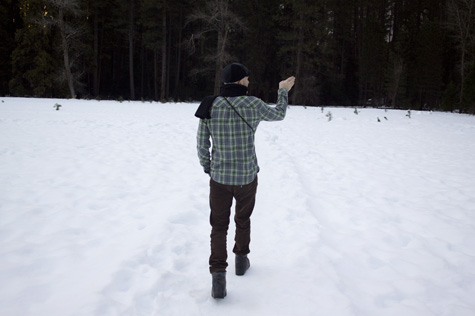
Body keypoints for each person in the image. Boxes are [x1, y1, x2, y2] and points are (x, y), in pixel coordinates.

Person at [195, 63, 295, 299]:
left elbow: (201, 144)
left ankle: (218, 278)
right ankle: (241, 260)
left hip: (219, 179)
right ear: (240, 81)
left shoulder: (210, 105)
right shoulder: (254, 104)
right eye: (247, 80)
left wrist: (208, 167)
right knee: (243, 219)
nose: (249, 83)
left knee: (218, 227)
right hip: (247, 177)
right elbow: (279, 114)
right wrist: (282, 91)